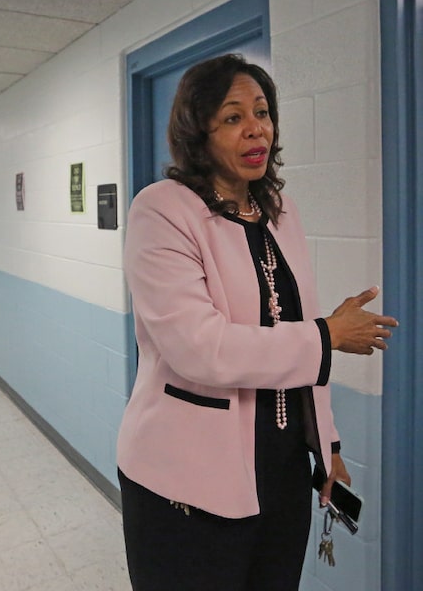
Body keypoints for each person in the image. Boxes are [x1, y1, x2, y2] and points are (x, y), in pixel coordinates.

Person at [116, 53, 399, 591]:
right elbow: (200, 349)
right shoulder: (162, 210)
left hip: (281, 473)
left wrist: (328, 445)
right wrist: (327, 335)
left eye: (264, 112)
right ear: (198, 132)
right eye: (233, 116)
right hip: (188, 483)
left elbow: (296, 335)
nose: (256, 129)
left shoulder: (278, 210)